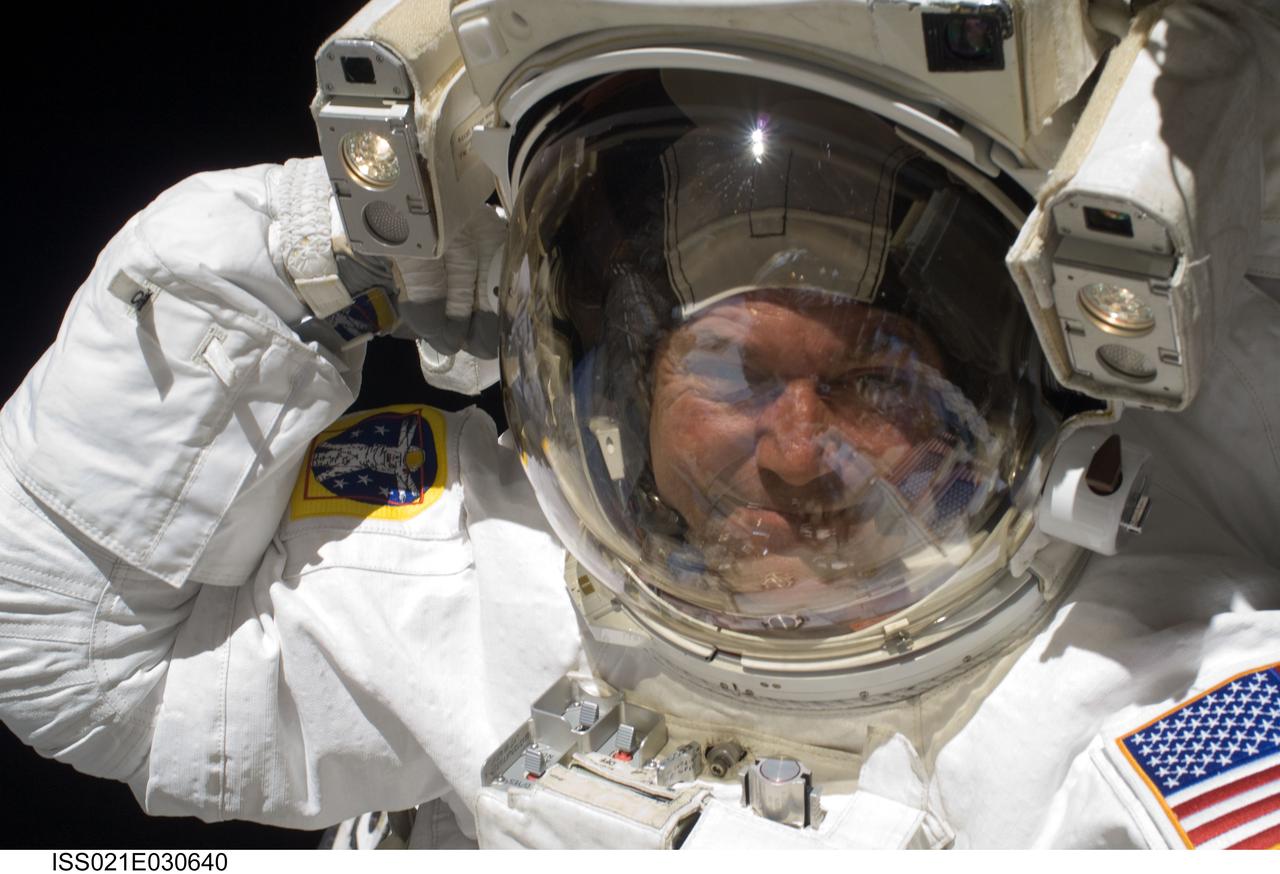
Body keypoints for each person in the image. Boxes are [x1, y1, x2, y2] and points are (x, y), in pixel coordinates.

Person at [0, 0, 1277, 850]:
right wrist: (300, 251)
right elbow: (77, 666)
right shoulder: (482, 595)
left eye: (875, 382)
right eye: (731, 369)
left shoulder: (1133, 696)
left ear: (1002, 424)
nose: (791, 449)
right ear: (622, 386)